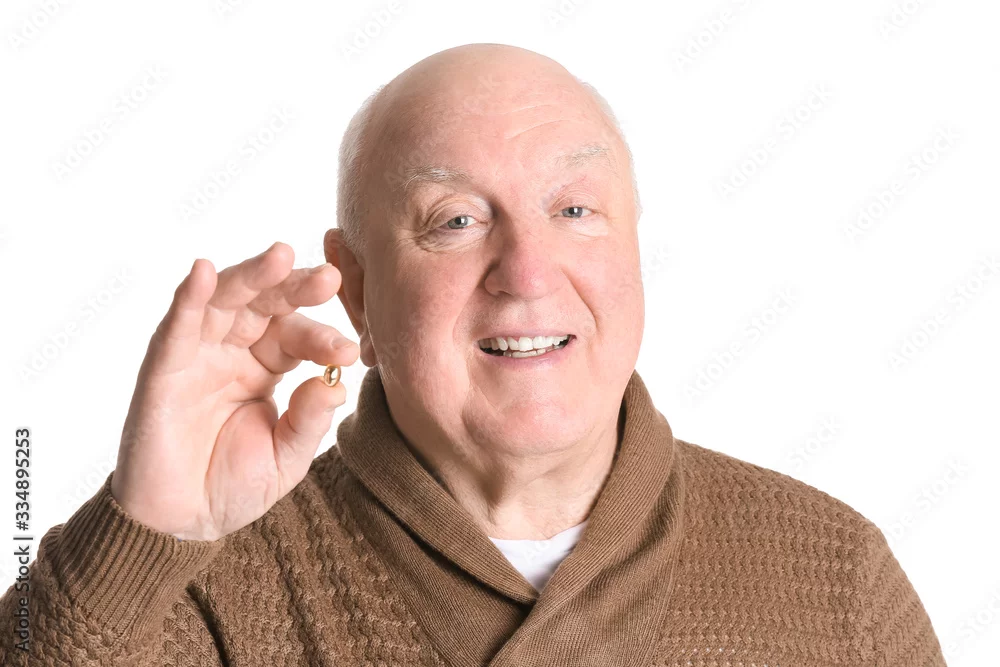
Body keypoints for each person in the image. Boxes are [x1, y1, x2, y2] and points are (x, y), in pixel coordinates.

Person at [0, 43, 947, 666]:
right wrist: (144, 528)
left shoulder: (832, 576)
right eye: (455, 221)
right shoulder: (207, 584)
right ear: (357, 289)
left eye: (574, 210)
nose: (527, 271)